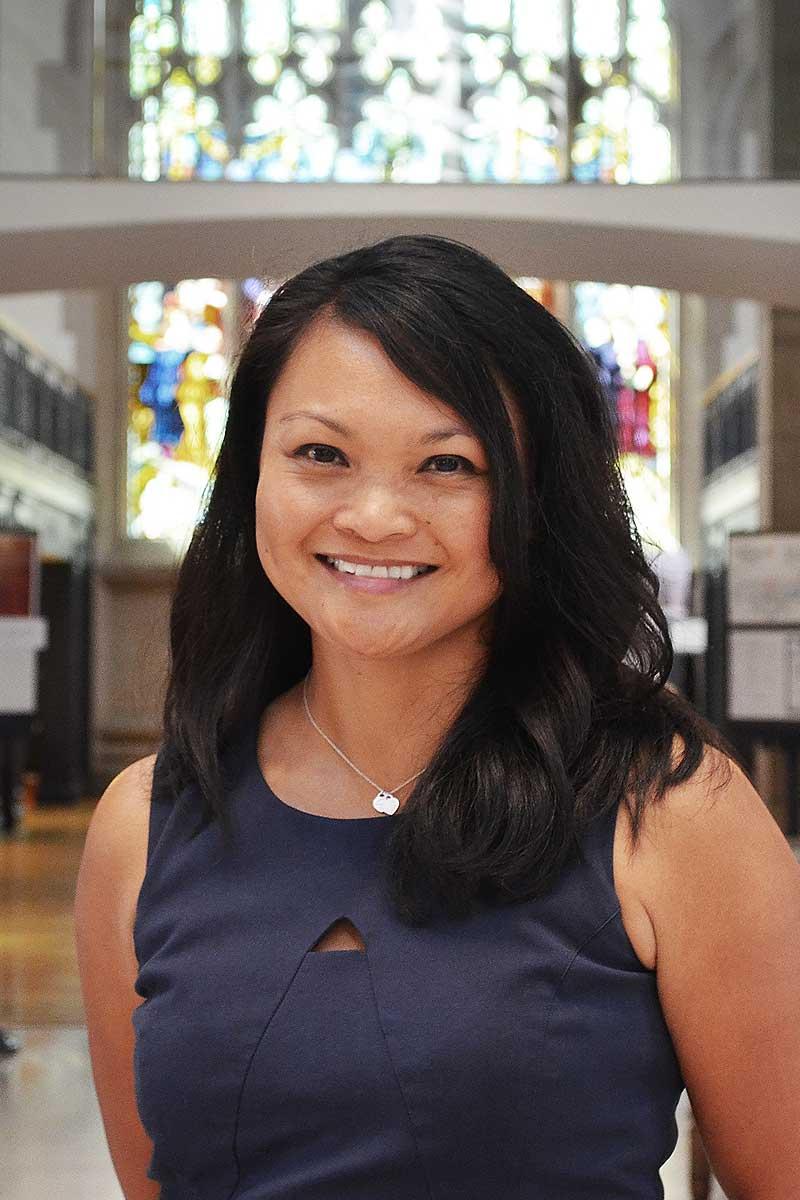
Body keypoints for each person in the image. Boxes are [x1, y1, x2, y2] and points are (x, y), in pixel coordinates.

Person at [74, 235, 800, 1200]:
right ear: (252, 473)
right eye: (320, 454)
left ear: (536, 496)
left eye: (448, 464)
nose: (375, 515)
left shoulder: (666, 810)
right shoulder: (146, 822)